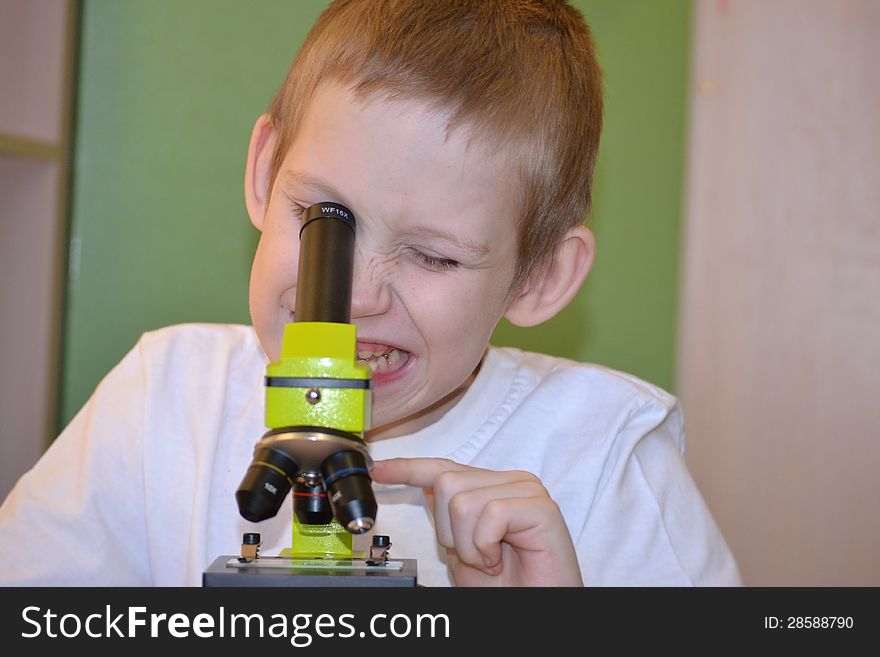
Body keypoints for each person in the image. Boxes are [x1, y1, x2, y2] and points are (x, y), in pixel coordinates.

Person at [0, 0, 741, 587]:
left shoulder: (605, 460)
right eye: (325, 220)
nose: (352, 296)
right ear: (264, 174)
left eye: (431, 255)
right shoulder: (161, 400)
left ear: (540, 275)